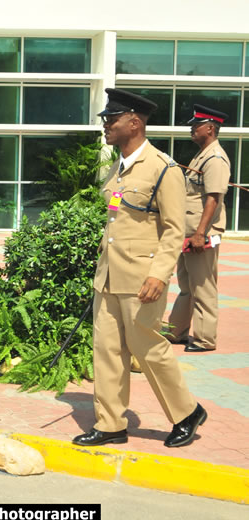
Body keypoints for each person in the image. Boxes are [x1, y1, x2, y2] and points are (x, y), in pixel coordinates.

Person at [72, 88, 206, 449]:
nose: (105, 125)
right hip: (110, 276)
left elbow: (174, 230)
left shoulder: (164, 169)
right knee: (107, 350)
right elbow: (116, 220)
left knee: (149, 348)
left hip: (142, 278)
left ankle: (186, 413)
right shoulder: (118, 167)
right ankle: (111, 423)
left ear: (135, 122)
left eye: (111, 119)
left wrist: (158, 275)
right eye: (106, 119)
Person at [165, 105, 231, 353]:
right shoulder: (202, 155)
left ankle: (204, 339)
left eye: (197, 126)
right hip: (188, 233)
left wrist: (200, 233)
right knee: (186, 286)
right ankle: (176, 332)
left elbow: (213, 198)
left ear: (211, 128)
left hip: (199, 235)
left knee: (203, 287)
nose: (192, 129)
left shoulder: (215, 158)